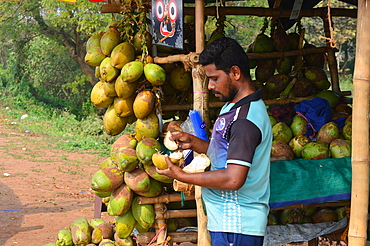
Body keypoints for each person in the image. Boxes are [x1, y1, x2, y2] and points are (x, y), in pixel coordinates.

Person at [157, 37, 272, 246]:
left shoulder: (245, 120)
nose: (209, 86)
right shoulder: (232, 106)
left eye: (214, 78)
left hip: (237, 227)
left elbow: (233, 179)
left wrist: (182, 176)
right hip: (228, 224)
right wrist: (194, 143)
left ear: (235, 73)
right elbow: (227, 154)